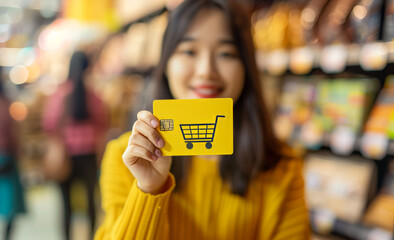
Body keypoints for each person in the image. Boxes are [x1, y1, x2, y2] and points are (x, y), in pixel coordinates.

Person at [95, 0, 310, 239]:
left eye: (226, 53)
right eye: (189, 51)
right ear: (165, 64)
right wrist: (149, 188)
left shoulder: (282, 166)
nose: (206, 70)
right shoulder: (127, 159)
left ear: (246, 67)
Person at [42, 51, 108, 240]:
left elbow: (49, 124)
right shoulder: (94, 96)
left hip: (65, 155)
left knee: (66, 205)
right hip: (88, 155)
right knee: (90, 202)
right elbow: (104, 123)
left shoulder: (59, 95)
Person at [0, 67, 26, 240]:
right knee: (10, 207)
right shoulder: (5, 104)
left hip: (6, 158)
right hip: (6, 158)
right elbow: (13, 134)